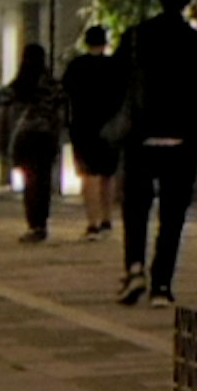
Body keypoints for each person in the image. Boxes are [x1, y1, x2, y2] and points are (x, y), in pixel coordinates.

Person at [118, 0, 197, 306]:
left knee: (136, 206)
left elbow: (120, 84)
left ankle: (134, 268)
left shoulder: (135, 36)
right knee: (173, 213)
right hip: (182, 135)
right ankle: (162, 284)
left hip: (141, 135)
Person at [0, 43, 65, 243]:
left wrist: (0, 140)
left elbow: (2, 115)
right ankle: (42, 222)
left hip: (24, 138)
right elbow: (61, 114)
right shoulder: (53, 87)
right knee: (44, 180)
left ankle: (33, 224)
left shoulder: (16, 86)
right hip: (46, 137)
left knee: (30, 182)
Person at [64, 24, 129, 245]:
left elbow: (67, 94)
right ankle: (107, 219)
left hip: (83, 126)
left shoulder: (76, 67)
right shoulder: (115, 67)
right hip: (109, 128)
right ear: (105, 42)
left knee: (88, 175)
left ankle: (92, 223)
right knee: (107, 175)